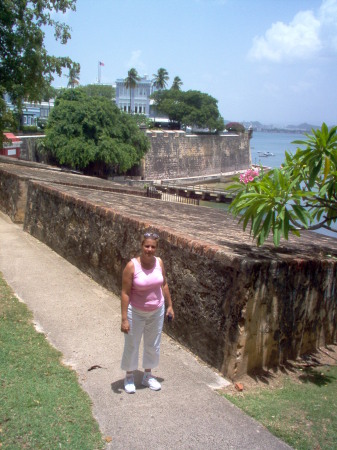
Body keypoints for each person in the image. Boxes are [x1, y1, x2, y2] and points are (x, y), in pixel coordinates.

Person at [120, 231, 174, 393]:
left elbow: (164, 284)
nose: (149, 249)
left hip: (157, 311)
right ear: (141, 246)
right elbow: (125, 293)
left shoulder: (159, 262)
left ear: (156, 248)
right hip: (135, 312)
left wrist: (170, 305)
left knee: (153, 344)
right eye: (147, 246)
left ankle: (148, 376)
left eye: (153, 247)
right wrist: (124, 319)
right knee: (132, 344)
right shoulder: (132, 266)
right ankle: (129, 376)